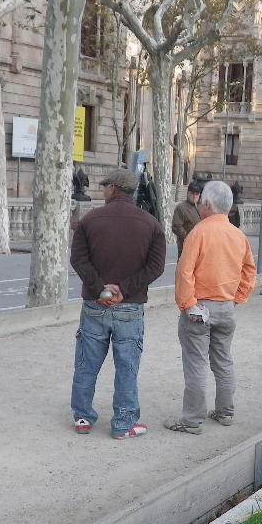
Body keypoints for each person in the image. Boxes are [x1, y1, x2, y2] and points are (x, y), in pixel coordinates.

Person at [70, 168, 167, 439]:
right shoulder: (151, 224)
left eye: (105, 187)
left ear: (113, 188)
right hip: (130, 307)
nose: (103, 191)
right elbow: (156, 267)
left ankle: (82, 416)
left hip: (95, 304)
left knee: (86, 364)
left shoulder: (90, 220)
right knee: (127, 367)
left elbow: (78, 259)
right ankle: (124, 423)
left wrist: (101, 289)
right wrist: (124, 289)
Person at [164, 180, 256, 435]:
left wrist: (188, 304)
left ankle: (192, 420)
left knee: (196, 364)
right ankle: (225, 412)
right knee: (223, 361)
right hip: (226, 306)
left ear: (206, 205)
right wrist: (237, 298)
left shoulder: (199, 233)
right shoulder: (238, 235)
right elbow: (249, 271)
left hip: (200, 307)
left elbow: (184, 271)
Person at [171, 180, 204, 256]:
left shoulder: (201, 207)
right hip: (186, 248)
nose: (194, 196)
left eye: (197, 194)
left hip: (199, 247)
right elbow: (176, 226)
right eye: (192, 193)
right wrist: (188, 237)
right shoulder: (181, 207)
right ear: (188, 193)